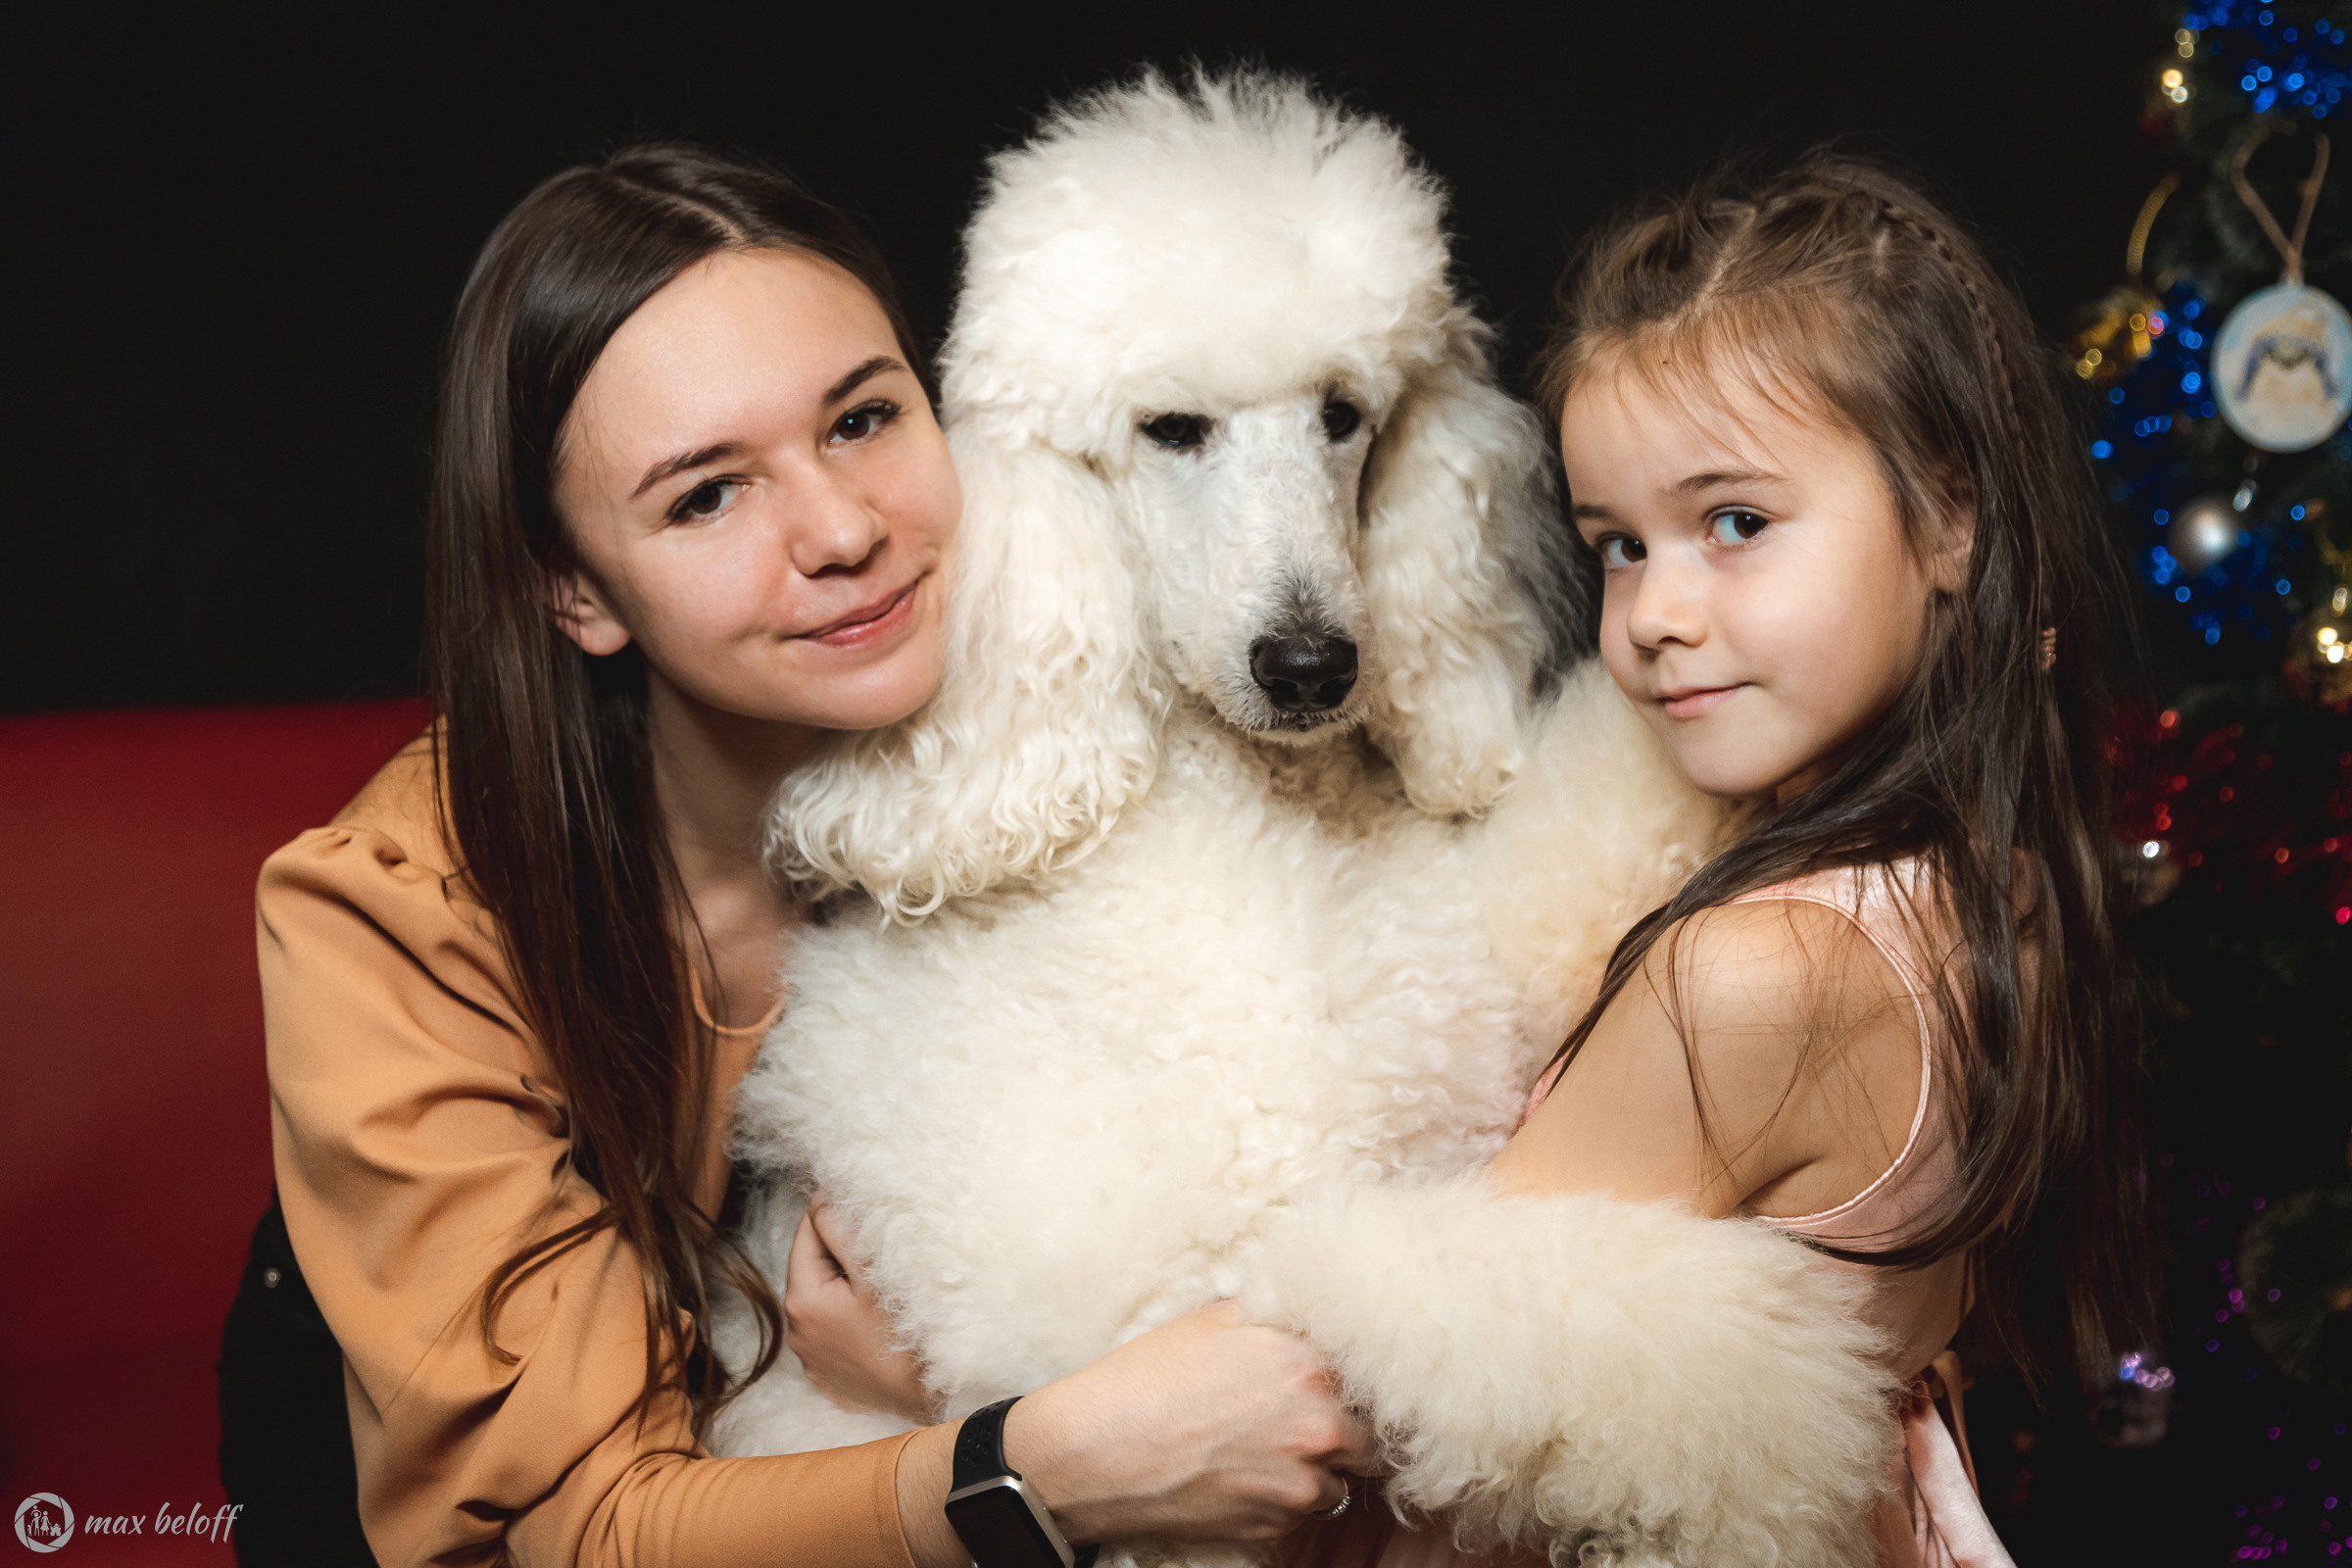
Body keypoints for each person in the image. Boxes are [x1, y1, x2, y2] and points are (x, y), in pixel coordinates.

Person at [797, 153, 2157, 1568]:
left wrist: (966, 1419)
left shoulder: (1751, 977)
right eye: (1618, 545)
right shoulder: (1991, 880)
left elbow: (1383, 1460)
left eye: (1736, 523)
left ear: (1952, 521)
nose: (1654, 616)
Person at [220, 143, 1373, 1568]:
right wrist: (1035, 1456)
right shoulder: (390, 913)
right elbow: (584, 1530)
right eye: (706, 495)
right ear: (574, 588)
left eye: (863, 419)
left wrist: (926, 1391)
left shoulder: (1073, 731)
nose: (842, 532)